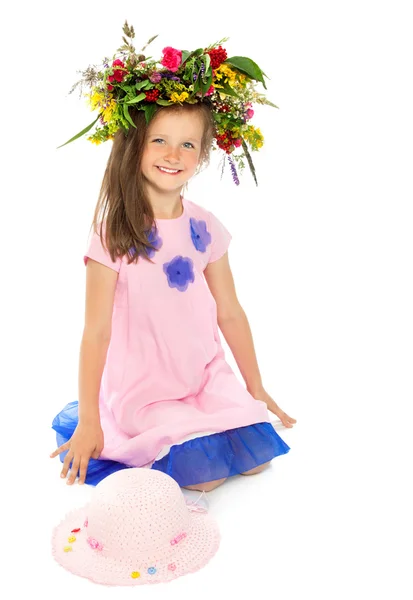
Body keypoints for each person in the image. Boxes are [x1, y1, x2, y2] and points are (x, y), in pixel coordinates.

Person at [50, 28, 296, 493]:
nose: (173, 155)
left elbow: (229, 311)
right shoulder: (114, 233)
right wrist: (88, 420)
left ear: (203, 154)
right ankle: (145, 426)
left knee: (254, 461)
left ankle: (215, 410)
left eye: (188, 145)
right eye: (159, 140)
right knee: (204, 478)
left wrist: (255, 386)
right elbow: (96, 332)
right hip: (146, 385)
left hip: (202, 372)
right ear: (134, 144)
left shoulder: (205, 226)